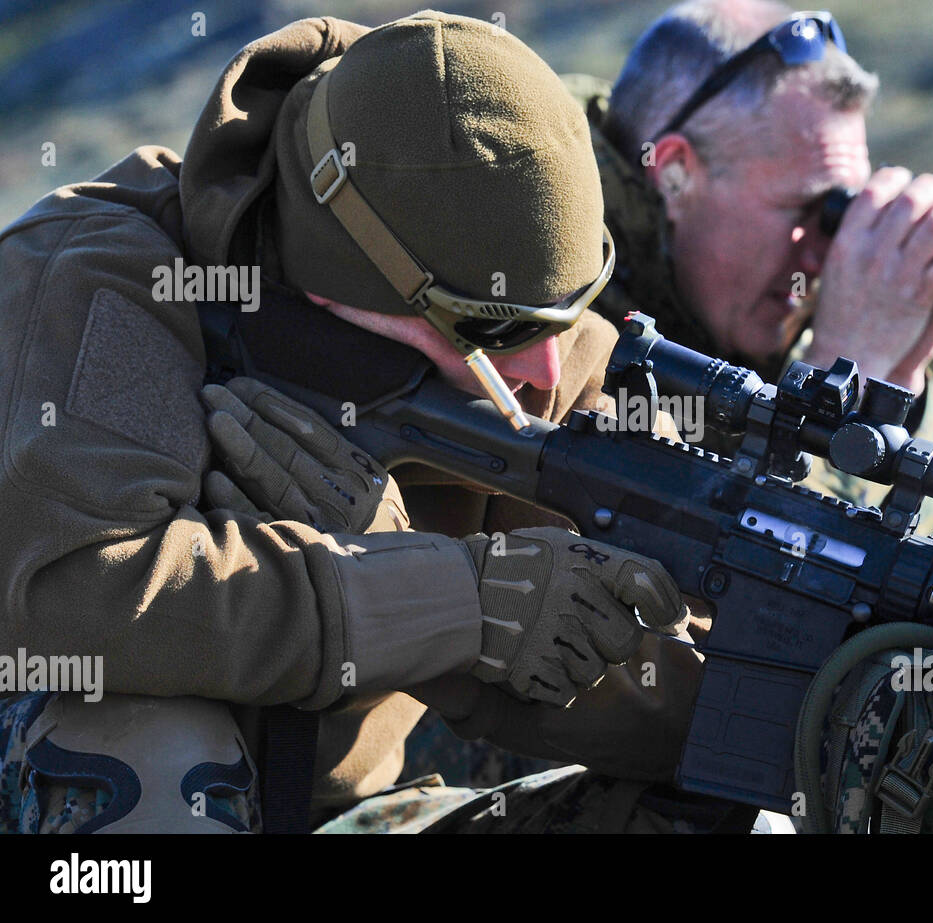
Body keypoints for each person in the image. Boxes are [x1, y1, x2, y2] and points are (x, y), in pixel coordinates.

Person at [0, 11, 699, 834]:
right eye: (493, 327)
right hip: (75, 788)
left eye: (571, 315)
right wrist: (440, 596)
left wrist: (511, 623)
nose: (547, 373)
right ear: (346, 285)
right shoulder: (103, 267)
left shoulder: (541, 350)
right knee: (150, 760)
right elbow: (80, 586)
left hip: (355, 812)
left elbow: (674, 716)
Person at [567, 0, 933, 530]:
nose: (823, 257)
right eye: (805, 210)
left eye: (839, 217)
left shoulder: (763, 323)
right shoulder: (548, 309)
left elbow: (900, 600)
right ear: (676, 174)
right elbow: (707, 581)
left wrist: (893, 391)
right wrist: (842, 368)